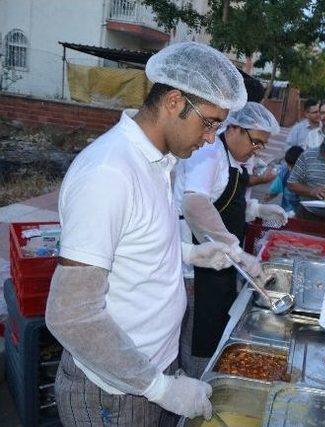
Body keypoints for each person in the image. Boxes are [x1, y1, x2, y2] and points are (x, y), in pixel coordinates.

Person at [45, 42, 247, 424]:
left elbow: (132, 244)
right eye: (209, 122)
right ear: (174, 101)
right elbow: (71, 313)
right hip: (115, 390)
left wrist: (188, 254)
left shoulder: (160, 162)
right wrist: (159, 388)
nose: (210, 138)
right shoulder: (109, 172)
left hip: (150, 367)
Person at [174, 102, 284, 377]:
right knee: (200, 329)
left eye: (262, 146)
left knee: (217, 324)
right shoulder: (211, 152)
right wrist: (234, 249)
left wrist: (256, 210)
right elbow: (195, 204)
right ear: (234, 128)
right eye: (255, 142)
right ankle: (195, 382)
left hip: (221, 260)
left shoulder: (237, 160)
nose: (256, 150)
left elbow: (225, 203)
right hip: (197, 261)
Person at [266, 145, 305, 213]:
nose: (290, 169)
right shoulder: (284, 172)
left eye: (294, 167)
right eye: (289, 165)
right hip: (286, 214)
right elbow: (272, 193)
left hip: (303, 215)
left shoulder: (310, 175)